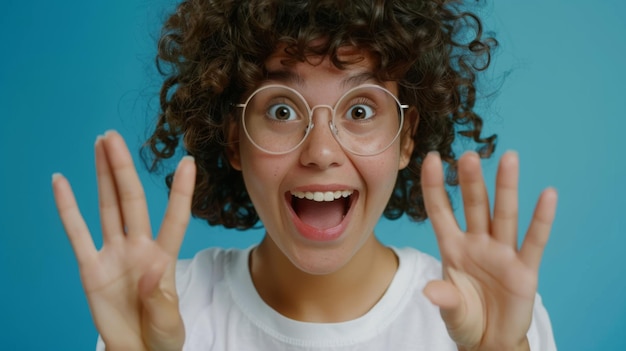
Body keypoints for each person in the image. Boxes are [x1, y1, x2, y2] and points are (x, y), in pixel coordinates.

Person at [52, 0, 559, 350]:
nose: (320, 152)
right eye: (281, 111)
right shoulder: (160, 309)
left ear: (407, 139)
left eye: (360, 111)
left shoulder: (492, 314)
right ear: (233, 138)